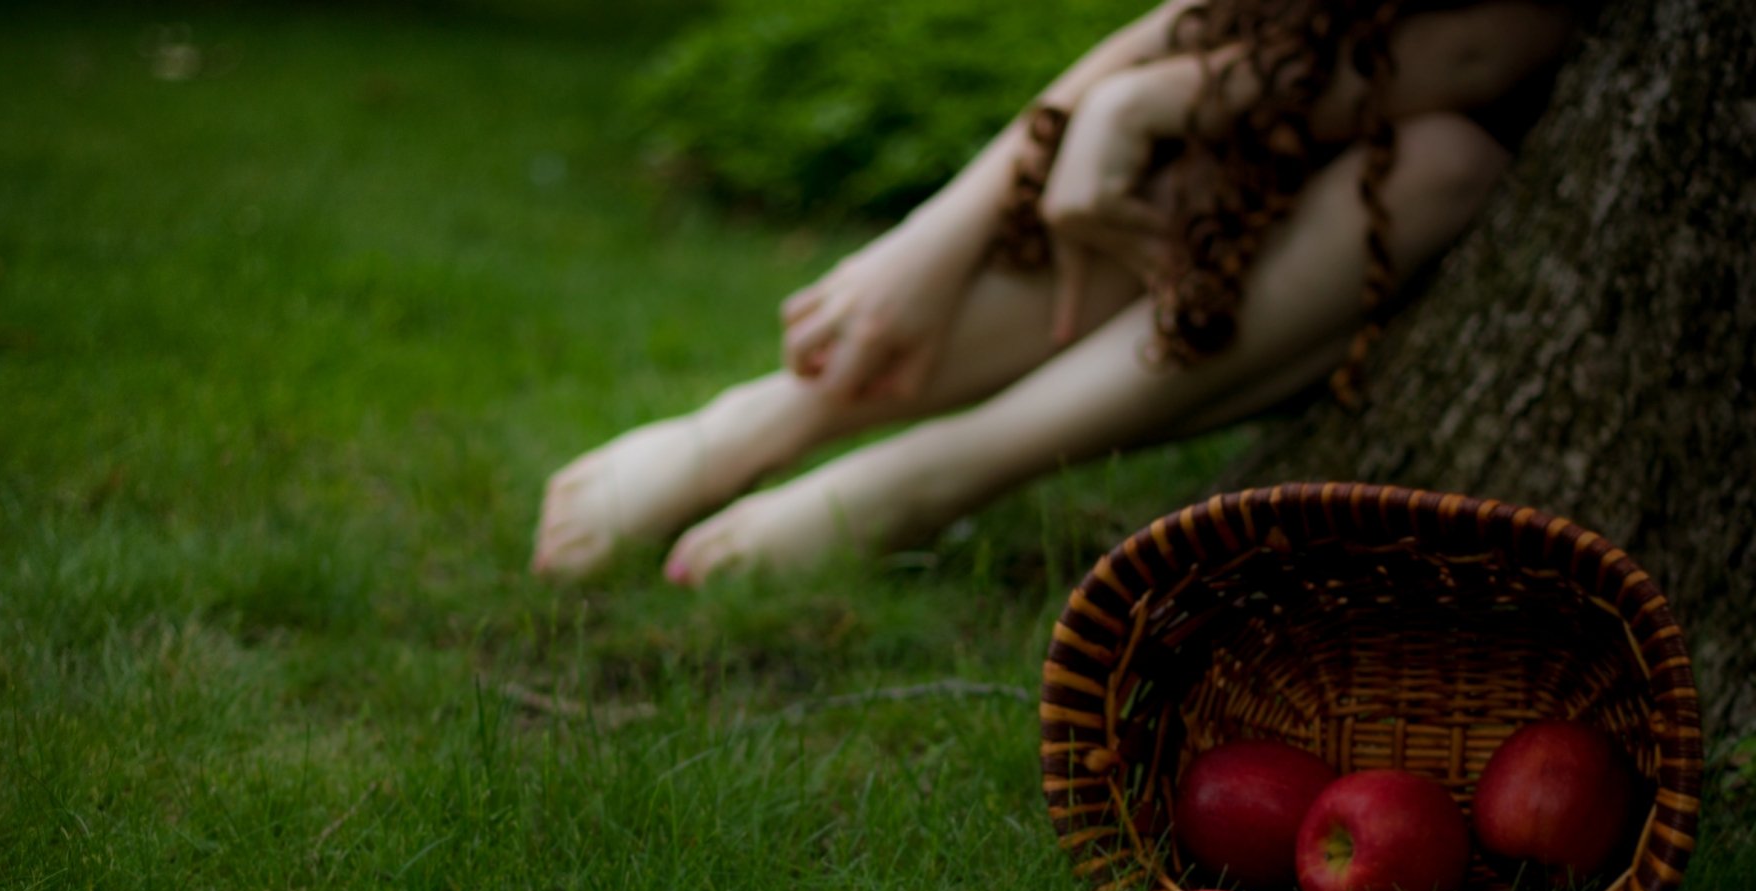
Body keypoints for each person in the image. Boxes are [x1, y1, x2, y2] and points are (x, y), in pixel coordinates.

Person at [532, 0, 1573, 585]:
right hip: (1299, 112)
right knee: (1208, 164)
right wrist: (942, 234)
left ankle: (927, 477)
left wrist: (1155, 99)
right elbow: (1202, 19)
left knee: (1435, 165)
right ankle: (779, 415)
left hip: (1440, 159)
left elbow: (1492, 44)